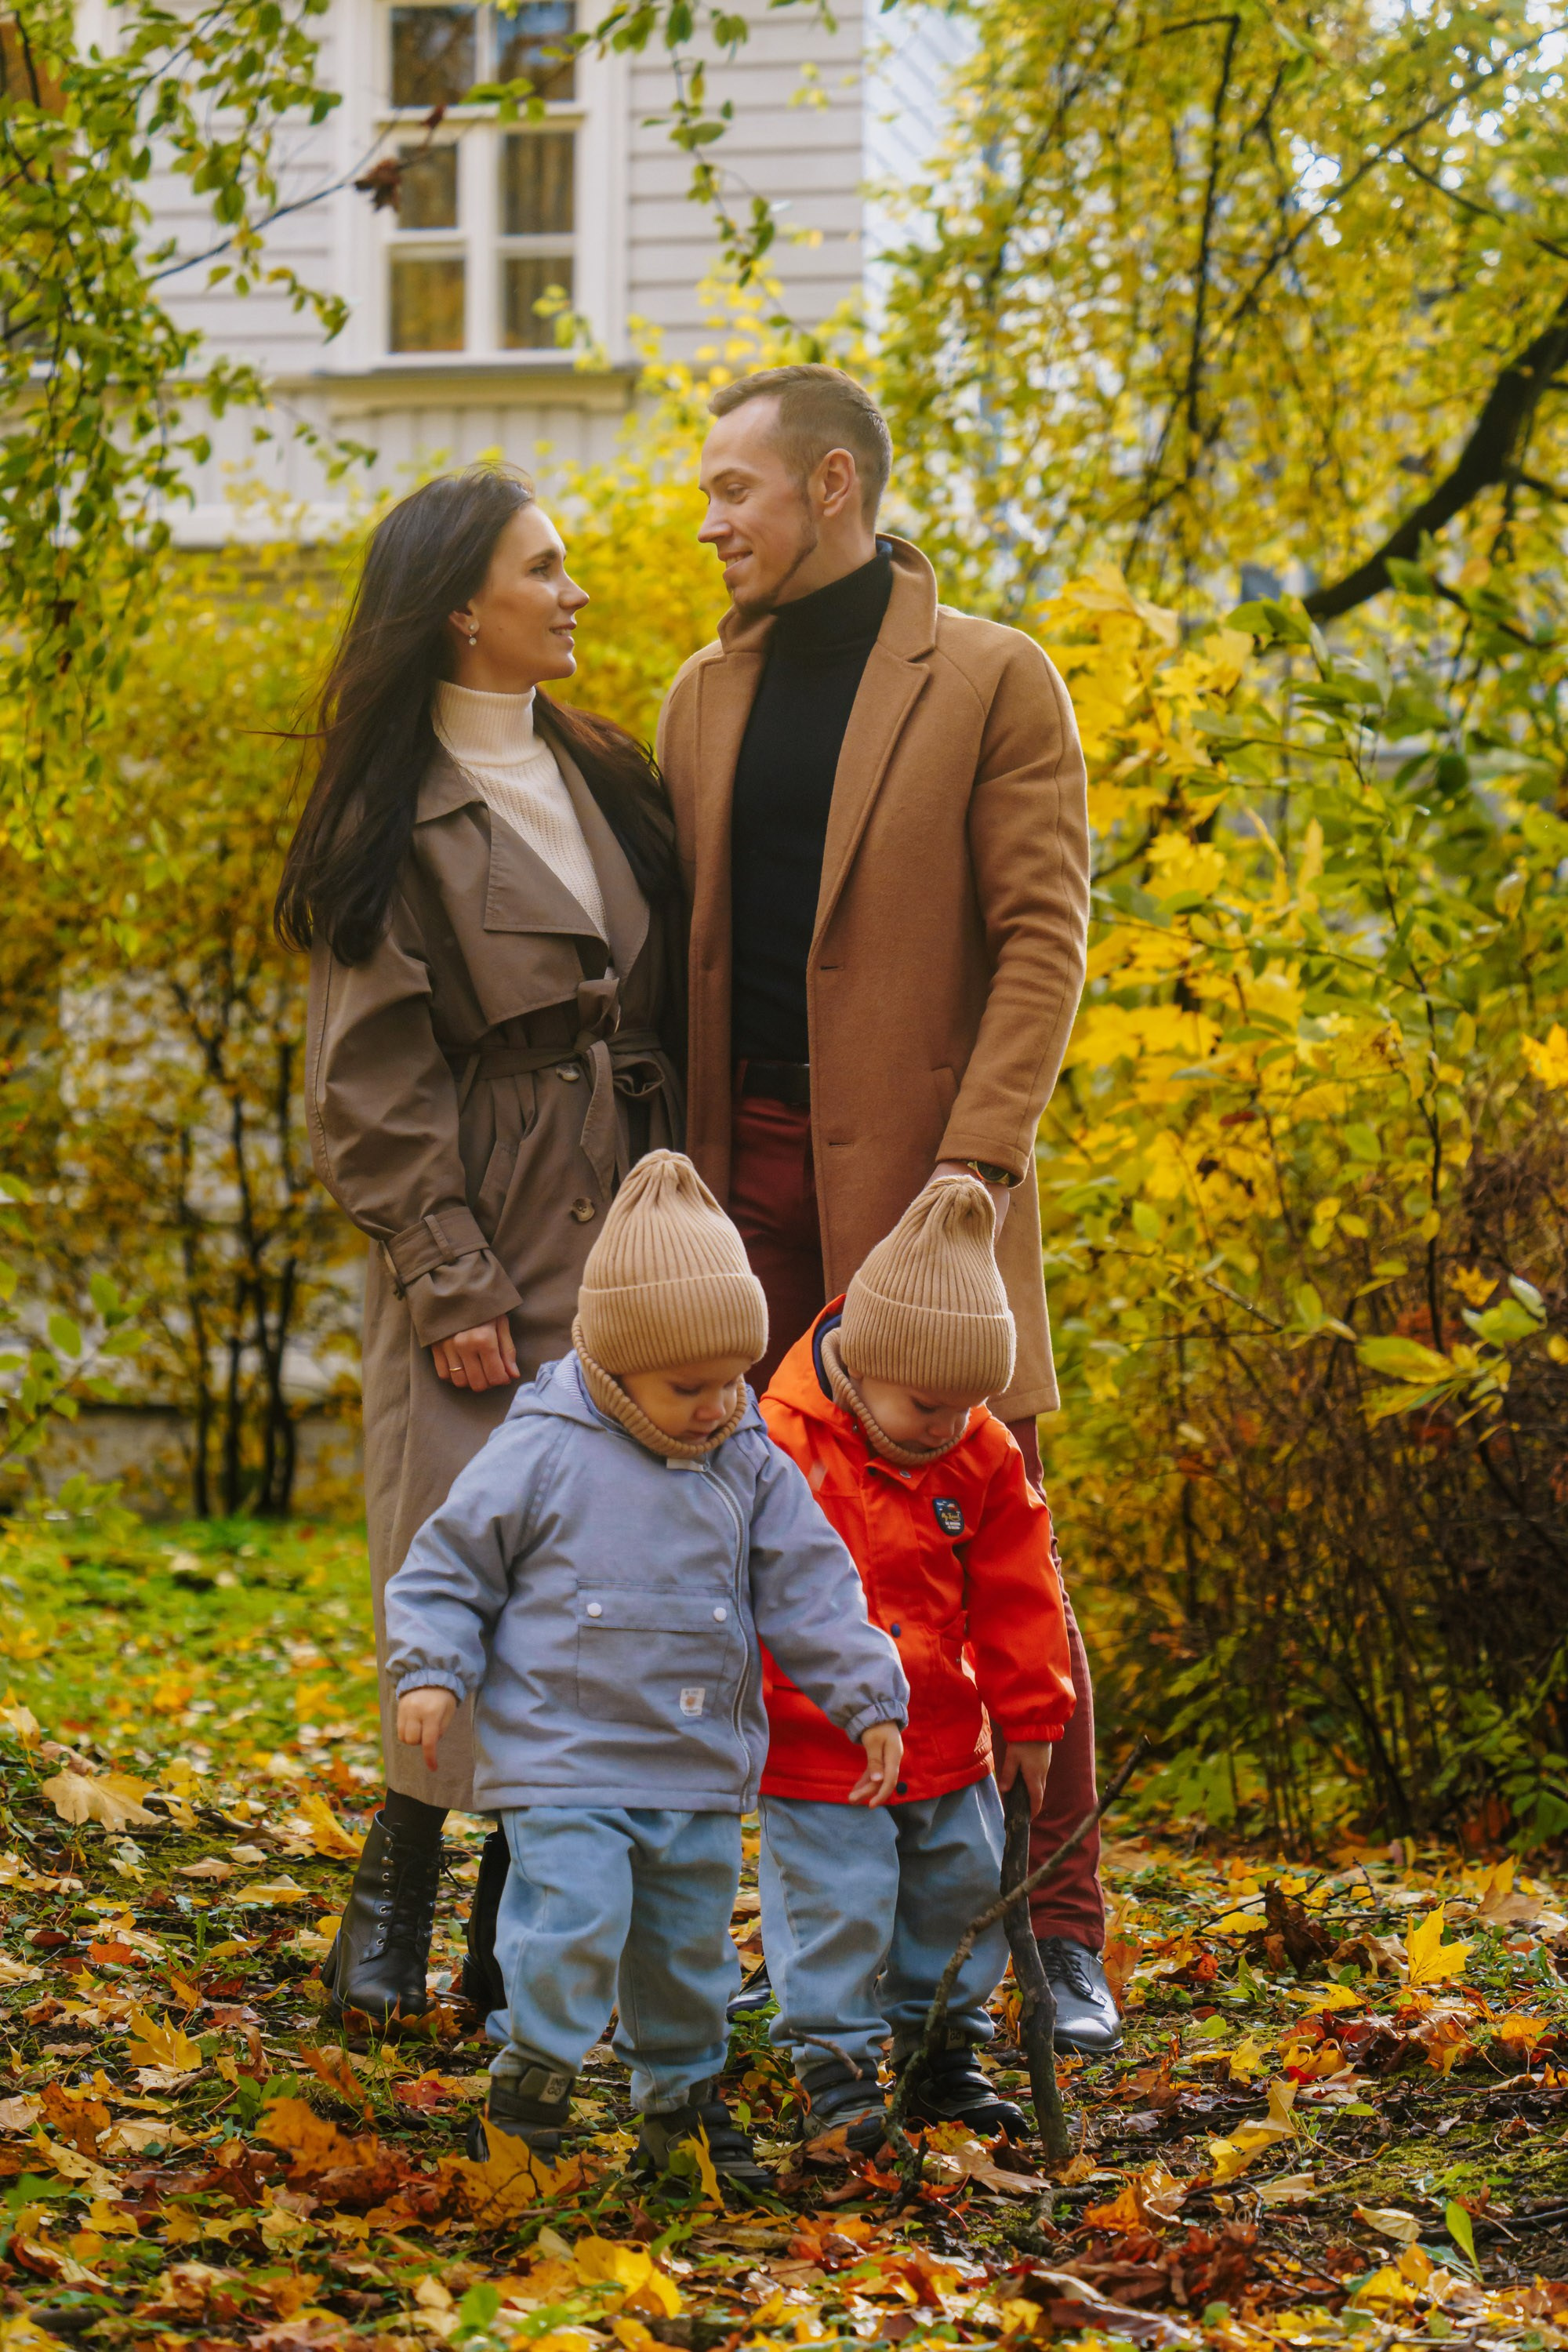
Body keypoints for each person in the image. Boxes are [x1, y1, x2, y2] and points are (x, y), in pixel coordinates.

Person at [656, 364, 1118, 2051]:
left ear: (830, 485)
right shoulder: (699, 697)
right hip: (740, 1199)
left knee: (994, 1547)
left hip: (930, 1204)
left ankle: (1055, 1933)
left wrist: (973, 1175)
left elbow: (1040, 942)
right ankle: (800, 1945)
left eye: (733, 490)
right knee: (746, 1554)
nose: (710, 522)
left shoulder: (992, 678)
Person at [275, 464, 684, 2023]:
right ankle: (389, 1905)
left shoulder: (608, 770)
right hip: (484, 1227)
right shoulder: (388, 815)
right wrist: (449, 1276)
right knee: (460, 1569)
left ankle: (513, 1946)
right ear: (462, 609)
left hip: (630, 1222)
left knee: (596, 1582)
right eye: (547, 568)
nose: (574, 592)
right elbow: (368, 1077)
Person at [383, 1152, 910, 2190]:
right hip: (565, 1759)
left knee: (687, 1952)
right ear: (617, 1364)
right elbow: (447, 1565)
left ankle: (681, 2103)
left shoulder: (748, 1462)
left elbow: (813, 1585)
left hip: (692, 1767)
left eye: (733, 1379)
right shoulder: (540, 1452)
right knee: (572, 1924)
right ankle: (531, 2085)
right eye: (689, 1386)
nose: (719, 1404)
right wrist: (433, 1670)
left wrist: (867, 1695)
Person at [758, 1174, 1076, 2150]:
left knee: (959, 1894)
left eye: (968, 1405)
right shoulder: (776, 1449)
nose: (947, 1424)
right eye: (926, 1403)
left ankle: (943, 2052)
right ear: (861, 1362)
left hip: (948, 1738)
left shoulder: (974, 1452)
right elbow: (743, 1595)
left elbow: (1020, 1589)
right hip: (824, 1751)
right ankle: (840, 2079)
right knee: (838, 1910)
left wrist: (1029, 1716)